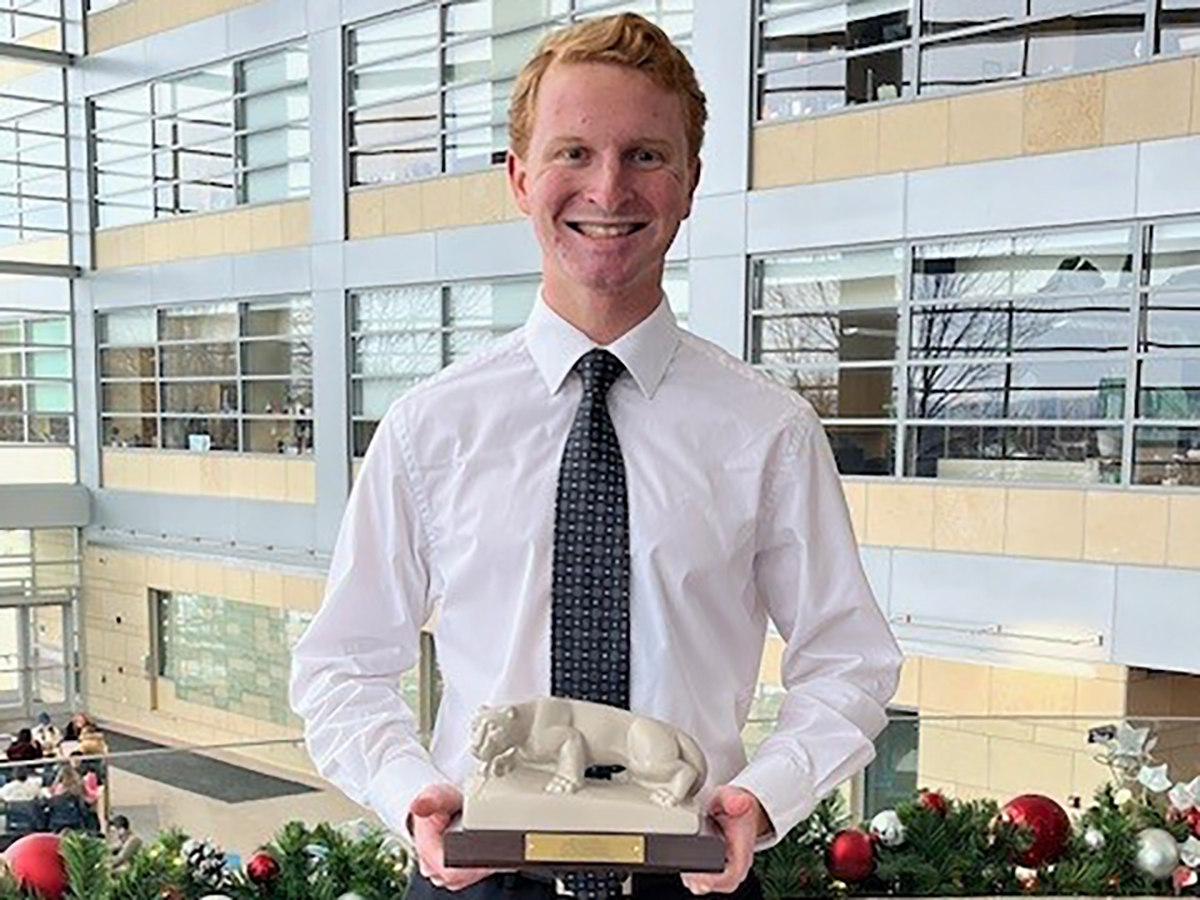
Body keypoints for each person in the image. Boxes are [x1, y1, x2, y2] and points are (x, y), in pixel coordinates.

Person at [290, 13, 902, 900]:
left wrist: (763, 800)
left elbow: (849, 660)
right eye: (572, 151)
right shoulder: (430, 428)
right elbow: (341, 665)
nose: (608, 187)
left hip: (695, 877)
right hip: (476, 880)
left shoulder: (769, 431)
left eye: (647, 155)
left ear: (689, 184)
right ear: (520, 176)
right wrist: (409, 793)